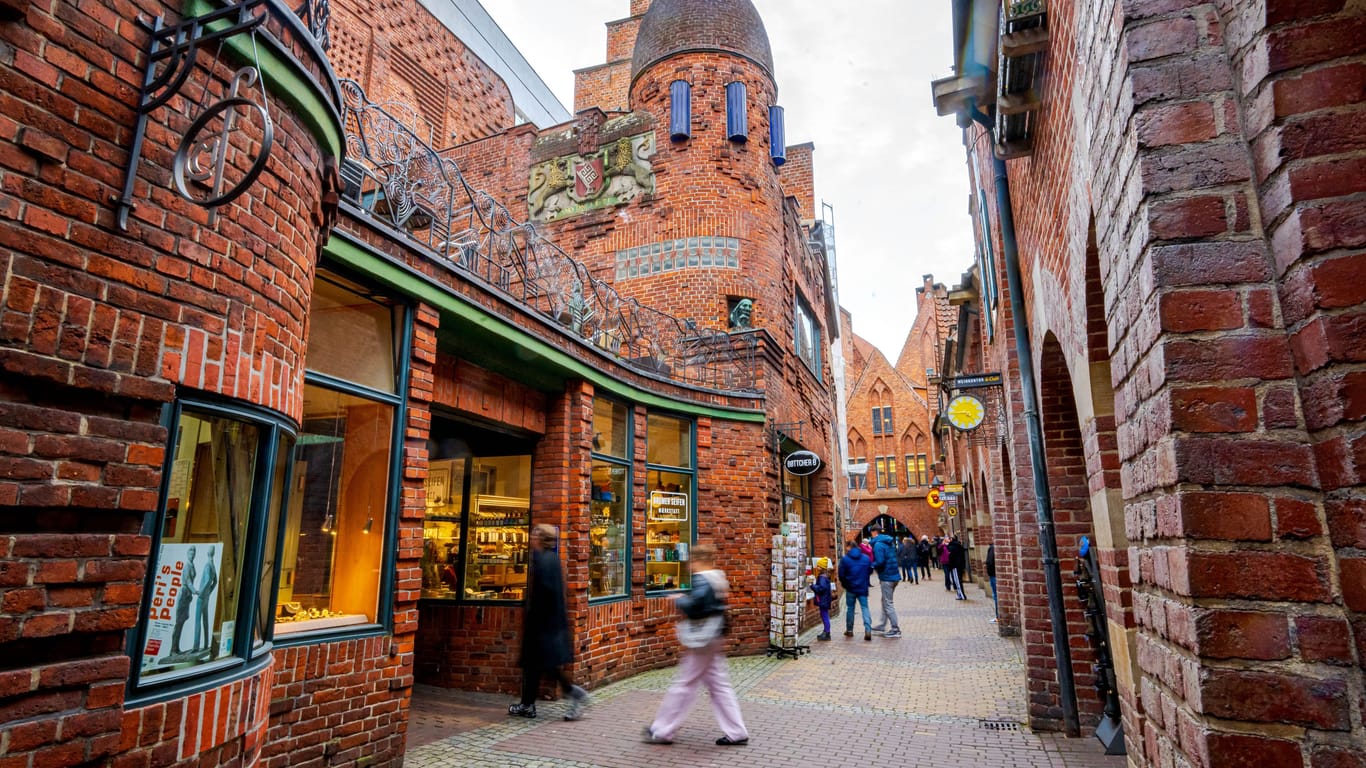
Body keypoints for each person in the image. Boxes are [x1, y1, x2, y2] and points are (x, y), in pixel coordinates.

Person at [644, 543, 749, 746]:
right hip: (713, 637)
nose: (689, 566)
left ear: (698, 560)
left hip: (702, 640)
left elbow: (694, 607)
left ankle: (663, 729)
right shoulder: (717, 577)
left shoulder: (702, 580)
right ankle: (736, 731)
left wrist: (678, 599)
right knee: (719, 686)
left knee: (685, 684)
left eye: (691, 561)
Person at [509, 525, 590, 721]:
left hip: (544, 624)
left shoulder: (543, 561)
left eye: (535, 534)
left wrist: (536, 621)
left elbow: (545, 595)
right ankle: (527, 704)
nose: (531, 537)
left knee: (545, 664)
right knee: (534, 665)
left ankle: (573, 693)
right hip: (548, 623)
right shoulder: (550, 559)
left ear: (542, 538)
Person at [868, 524, 902, 638]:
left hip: (887, 577)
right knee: (885, 601)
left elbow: (880, 561)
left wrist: (871, 565)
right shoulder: (888, 542)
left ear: (874, 532)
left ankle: (895, 629)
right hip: (894, 575)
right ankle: (882, 625)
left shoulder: (878, 544)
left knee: (888, 603)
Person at [837, 538, 873, 641]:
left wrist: (845, 584)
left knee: (850, 609)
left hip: (850, 588)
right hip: (862, 587)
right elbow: (870, 571)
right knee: (865, 608)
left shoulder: (845, 559)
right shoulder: (865, 558)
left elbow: (841, 575)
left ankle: (849, 630)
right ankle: (868, 629)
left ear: (849, 547)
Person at [811, 557, 834, 641]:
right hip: (825, 599)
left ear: (822, 567)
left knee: (824, 616)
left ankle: (827, 633)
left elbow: (821, 588)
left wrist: (812, 585)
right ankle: (825, 631)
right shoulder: (825, 576)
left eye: (818, 566)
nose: (817, 567)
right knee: (824, 615)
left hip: (823, 600)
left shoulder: (822, 577)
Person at [947, 534, 968, 600]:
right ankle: (960, 594)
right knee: (958, 580)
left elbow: (951, 558)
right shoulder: (958, 545)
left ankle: (962, 595)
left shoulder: (952, 547)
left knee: (958, 581)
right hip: (959, 565)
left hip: (955, 566)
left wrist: (950, 566)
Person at [986, 543, 998, 622]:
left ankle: (998, 616)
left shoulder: (992, 548)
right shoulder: (994, 547)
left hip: (993, 575)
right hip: (995, 574)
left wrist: (990, 573)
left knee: (996, 595)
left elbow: (989, 562)